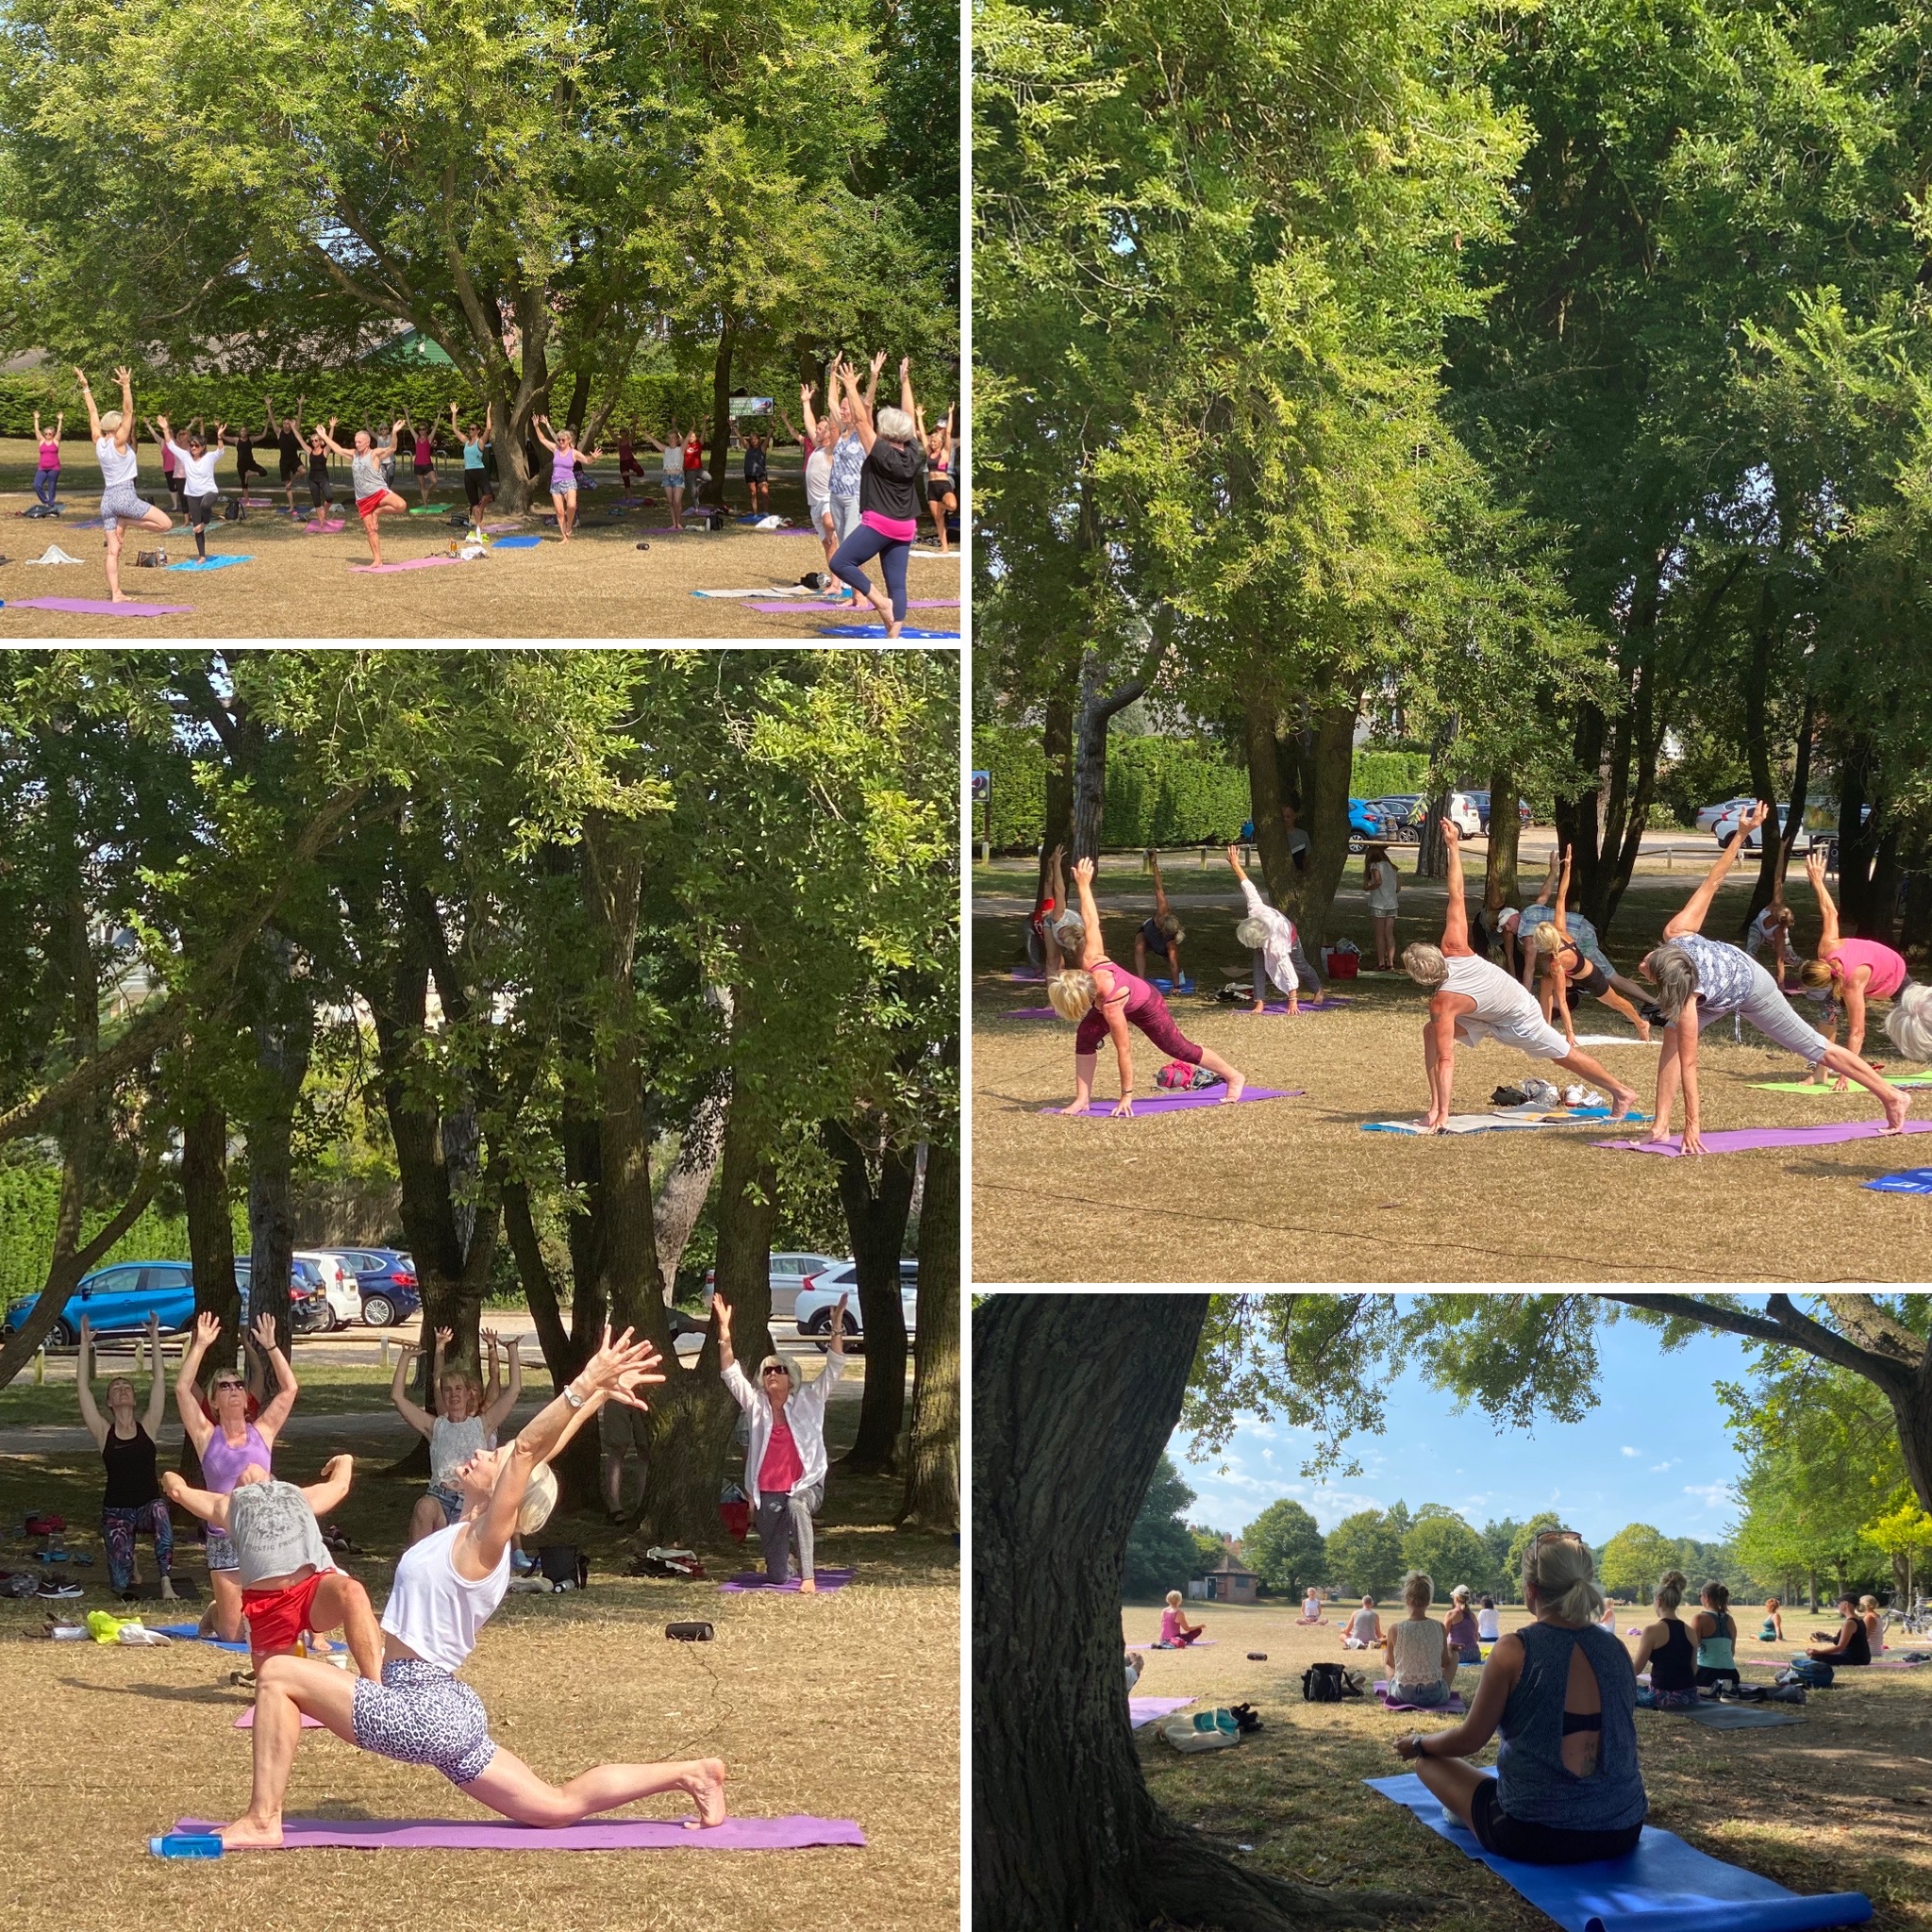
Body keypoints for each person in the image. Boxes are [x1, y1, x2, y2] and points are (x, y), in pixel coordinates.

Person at [208, 1324, 727, 1849]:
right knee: (556, 1806)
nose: (486, 1452)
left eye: (496, 1461)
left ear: (510, 1492)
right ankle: (692, 1773)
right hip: (447, 1707)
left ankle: (262, 1819)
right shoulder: (464, 1528)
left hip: (420, 1708)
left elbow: (526, 1451)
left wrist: (582, 1382)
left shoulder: (484, 1544)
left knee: (276, 1672)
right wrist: (592, 1396)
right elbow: (539, 1453)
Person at [1638, 804, 1907, 1148]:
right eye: (1649, 964)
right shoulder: (1676, 932)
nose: (1642, 966)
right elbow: (1714, 880)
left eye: (1649, 969)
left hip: (1752, 985)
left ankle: (1892, 1096)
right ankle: (1660, 1126)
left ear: (1676, 982)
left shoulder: (1688, 997)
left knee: (1812, 1046)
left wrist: (1693, 1125)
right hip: (1718, 989)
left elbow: (1691, 1064)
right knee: (1672, 1036)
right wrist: (1742, 834)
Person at [1391, 1529, 1645, 1867]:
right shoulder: (1616, 1649)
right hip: (1623, 1829)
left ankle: (1465, 1815)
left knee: (1428, 1762)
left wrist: (1419, 1743)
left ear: (1531, 1590)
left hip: (1532, 1834)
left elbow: (1470, 1739)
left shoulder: (1514, 1649)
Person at [1401, 818, 1639, 1131]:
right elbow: (1456, 895)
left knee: (1561, 1055)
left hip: (1516, 1014)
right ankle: (1435, 1108)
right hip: (1484, 1012)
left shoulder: (1443, 1001)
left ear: (1421, 979)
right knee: (1430, 1033)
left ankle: (1622, 1092)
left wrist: (1447, 1118)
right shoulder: (1453, 947)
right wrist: (1453, 846)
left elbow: (1447, 1061)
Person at [1048, 857, 1246, 1114]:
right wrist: (1083, 885)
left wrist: (1126, 1096)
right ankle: (1082, 1099)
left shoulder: (1110, 1004)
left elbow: (1124, 1050)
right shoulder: (1090, 959)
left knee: (1178, 1048)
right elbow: (1092, 921)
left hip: (1146, 1004)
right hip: (1110, 997)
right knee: (1085, 1037)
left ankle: (1234, 1076)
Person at [159, 1457, 382, 1679]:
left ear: (273, 1480)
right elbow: (179, 1491)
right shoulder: (229, 1505)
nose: (248, 1465)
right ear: (236, 1489)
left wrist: (344, 1460)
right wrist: (168, 1477)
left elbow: (339, 1486)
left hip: (312, 1590)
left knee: (352, 1592)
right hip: (269, 1607)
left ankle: (375, 1687)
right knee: (276, 1683)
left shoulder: (297, 1495)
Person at [175, 1311, 300, 1642]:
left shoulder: (263, 1431)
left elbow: (289, 1388)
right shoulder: (206, 1436)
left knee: (270, 1623)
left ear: (246, 1397)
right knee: (231, 1634)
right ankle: (217, 1610)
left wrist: (271, 1346)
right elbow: (182, 1389)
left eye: (238, 1385)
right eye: (224, 1386)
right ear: (214, 1400)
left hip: (263, 1534)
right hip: (223, 1536)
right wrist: (200, 1345)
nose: (232, 1389)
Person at [716, 1291, 845, 1588]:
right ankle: (785, 1561)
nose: (772, 1373)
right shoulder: (756, 1404)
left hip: (806, 1485)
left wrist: (836, 1327)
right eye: (768, 1370)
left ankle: (808, 1576)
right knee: (776, 1576)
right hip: (768, 1492)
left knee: (798, 1506)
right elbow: (730, 1373)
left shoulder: (810, 1398)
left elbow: (835, 1367)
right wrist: (724, 1332)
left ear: (792, 1377)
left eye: (779, 1370)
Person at [391, 1325, 523, 1545]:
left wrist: (512, 1350)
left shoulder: (483, 1424)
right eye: (448, 1390)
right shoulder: (435, 1426)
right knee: (424, 1506)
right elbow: (397, 1397)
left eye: (458, 1389)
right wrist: (405, 1358)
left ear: (467, 1392)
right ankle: (414, 1572)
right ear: (441, 1395)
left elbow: (515, 1389)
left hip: (471, 1504)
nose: (453, 1395)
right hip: (440, 1500)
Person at [76, 1313, 175, 1602]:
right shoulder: (102, 1432)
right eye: (116, 1388)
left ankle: (166, 1581)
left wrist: (154, 1337)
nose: (122, 1390)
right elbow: (82, 1388)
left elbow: (160, 1380)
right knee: (121, 1585)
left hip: (147, 1506)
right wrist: (84, 1344)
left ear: (134, 1398)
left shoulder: (149, 1426)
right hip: (116, 1512)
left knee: (160, 1510)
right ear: (109, 1402)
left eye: (127, 1387)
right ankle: (130, 1564)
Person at [827, 354, 926, 639]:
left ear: (885, 432)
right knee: (897, 583)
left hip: (880, 523)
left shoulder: (880, 451)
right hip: (906, 526)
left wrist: (849, 386)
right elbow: (907, 415)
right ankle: (894, 635)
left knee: (840, 563)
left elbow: (859, 419)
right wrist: (904, 381)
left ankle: (881, 603)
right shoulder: (912, 452)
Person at [1798, 848, 1914, 1087]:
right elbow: (1830, 911)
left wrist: (1847, 1075)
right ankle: (1820, 1071)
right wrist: (1817, 880)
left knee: (1922, 1016)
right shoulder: (1826, 949)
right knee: (1827, 1017)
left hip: (1892, 972)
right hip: (1856, 972)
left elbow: (1858, 1032)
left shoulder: (1851, 983)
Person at [1531, 848, 1653, 1043]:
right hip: (1573, 975)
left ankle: (1640, 1023)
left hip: (1591, 978)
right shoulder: (1560, 930)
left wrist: (1570, 1033)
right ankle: (1546, 1028)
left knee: (1617, 1003)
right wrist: (1567, 867)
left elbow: (1562, 1001)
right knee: (1546, 982)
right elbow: (1561, 896)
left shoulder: (1557, 962)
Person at [74, 365, 172, 604]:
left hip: (107, 500)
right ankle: (126, 520)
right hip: (124, 497)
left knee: (113, 551)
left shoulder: (98, 440)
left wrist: (86, 387)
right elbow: (128, 412)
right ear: (117, 426)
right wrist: (126, 386)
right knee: (166, 524)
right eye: (123, 425)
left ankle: (116, 594)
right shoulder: (119, 442)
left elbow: (92, 412)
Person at [1226, 845, 1323, 1012]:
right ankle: (1260, 1002)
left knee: (1300, 966)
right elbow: (1248, 886)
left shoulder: (1277, 945)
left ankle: (1318, 989)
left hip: (1289, 936)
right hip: (1266, 932)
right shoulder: (1255, 909)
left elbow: (1287, 969)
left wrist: (1293, 1000)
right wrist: (1235, 864)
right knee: (1258, 966)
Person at [314, 418, 411, 565]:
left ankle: (377, 512)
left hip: (379, 492)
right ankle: (377, 559)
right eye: (356, 442)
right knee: (370, 529)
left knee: (401, 505)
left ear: (367, 442)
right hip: (363, 499)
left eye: (360, 442)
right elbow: (338, 449)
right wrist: (324, 436)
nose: (357, 444)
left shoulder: (374, 454)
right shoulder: (354, 455)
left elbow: (391, 449)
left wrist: (394, 432)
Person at [785, 389, 842, 579]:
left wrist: (835, 398)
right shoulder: (818, 448)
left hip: (828, 499)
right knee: (827, 545)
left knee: (829, 526)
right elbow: (809, 423)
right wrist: (805, 402)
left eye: (820, 429)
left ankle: (843, 577)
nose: (816, 431)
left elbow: (835, 427)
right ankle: (836, 581)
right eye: (816, 429)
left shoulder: (831, 449)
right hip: (814, 503)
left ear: (829, 432)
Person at [155, 414, 226, 560]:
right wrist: (165, 429)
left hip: (209, 492)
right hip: (192, 494)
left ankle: (206, 522)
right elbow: (171, 445)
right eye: (191, 445)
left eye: (196, 445)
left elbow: (220, 451)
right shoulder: (186, 457)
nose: (193, 447)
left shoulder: (209, 457)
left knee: (205, 505)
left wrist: (219, 436)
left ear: (202, 447)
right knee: (196, 526)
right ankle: (202, 555)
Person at [825, 355, 878, 547]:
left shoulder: (863, 430)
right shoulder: (843, 430)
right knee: (843, 547)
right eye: (842, 408)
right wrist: (832, 373)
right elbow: (831, 400)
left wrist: (874, 377)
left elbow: (868, 403)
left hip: (855, 497)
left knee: (850, 546)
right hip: (836, 495)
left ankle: (853, 578)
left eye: (846, 408)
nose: (842, 411)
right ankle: (851, 578)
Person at [1384, 1572, 1457, 1706]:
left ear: (1406, 1599)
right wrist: (1449, 1649)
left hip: (1403, 1695)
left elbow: (1391, 1663)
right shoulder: (1439, 1627)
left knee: (1386, 1656)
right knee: (1456, 1655)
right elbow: (1445, 1663)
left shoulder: (1394, 1629)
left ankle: (1391, 1686)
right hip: (1434, 1695)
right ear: (1428, 1600)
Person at [1629, 1570, 1699, 1708]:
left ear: (1659, 1601)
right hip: (1690, 1695)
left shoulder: (1652, 1631)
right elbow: (1694, 1669)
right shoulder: (1691, 1632)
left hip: (1662, 1696)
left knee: (1631, 1691)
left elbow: (1635, 1670)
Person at [1132, 850, 1185, 988]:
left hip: (1161, 945)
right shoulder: (1162, 910)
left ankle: (1180, 976)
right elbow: (1158, 887)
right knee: (1139, 946)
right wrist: (1154, 864)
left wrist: (1176, 987)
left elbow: (1173, 963)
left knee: (1170, 959)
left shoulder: (1170, 943)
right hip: (1148, 931)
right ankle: (1141, 980)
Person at [1790, 1594, 1871, 1684]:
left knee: (1816, 1657)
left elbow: (1840, 1647)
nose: (1838, 1605)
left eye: (1839, 1603)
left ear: (1846, 1604)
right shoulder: (1859, 1619)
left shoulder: (1850, 1623)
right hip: (1862, 1657)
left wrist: (1818, 1652)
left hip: (1855, 1658)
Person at [533, 416, 586, 541]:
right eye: (559, 440)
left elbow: (587, 460)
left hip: (569, 481)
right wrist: (538, 426)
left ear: (569, 439)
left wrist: (593, 457)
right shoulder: (556, 448)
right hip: (555, 483)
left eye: (563, 440)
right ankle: (564, 537)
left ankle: (569, 525)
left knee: (572, 505)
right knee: (560, 512)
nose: (561, 442)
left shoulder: (573, 451)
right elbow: (544, 439)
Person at [917, 401, 957, 552]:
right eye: (931, 441)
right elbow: (923, 436)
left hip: (943, 484)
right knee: (938, 519)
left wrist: (951, 414)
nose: (932, 443)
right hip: (932, 487)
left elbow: (947, 433)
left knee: (952, 505)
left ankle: (941, 505)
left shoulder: (945, 452)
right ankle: (944, 547)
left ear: (940, 443)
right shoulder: (929, 453)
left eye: (934, 441)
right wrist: (919, 417)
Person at [1690, 1581, 1740, 1690]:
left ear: (1706, 1597)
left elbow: (1691, 1648)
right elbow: (1731, 1652)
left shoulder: (1699, 1618)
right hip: (1731, 1675)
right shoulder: (1730, 1620)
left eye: (1700, 1596)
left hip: (1707, 1675)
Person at [1365, 842, 1401, 969]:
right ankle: (1390, 963)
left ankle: (1381, 962)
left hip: (1379, 903)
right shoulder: (1392, 867)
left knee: (1379, 934)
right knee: (1389, 934)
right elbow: (1397, 888)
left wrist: (1368, 887)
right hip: (1392, 903)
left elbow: (1378, 881)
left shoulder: (1375, 866)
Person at [267, 392, 305, 514]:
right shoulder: (279, 432)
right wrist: (269, 406)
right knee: (287, 486)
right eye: (284, 423)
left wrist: (300, 405)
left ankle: (291, 480)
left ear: (290, 424)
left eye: (288, 423)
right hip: (283, 461)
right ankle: (291, 506)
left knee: (303, 471)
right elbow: (272, 420)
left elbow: (299, 419)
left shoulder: (294, 431)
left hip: (294, 459)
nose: (286, 425)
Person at [648, 427, 687, 530]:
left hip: (678, 477)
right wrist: (642, 430)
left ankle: (679, 523)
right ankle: (674, 524)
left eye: (673, 438)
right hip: (667, 477)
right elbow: (654, 441)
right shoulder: (666, 449)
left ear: (677, 440)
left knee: (677, 501)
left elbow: (687, 439)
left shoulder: (681, 449)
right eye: (669, 438)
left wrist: (693, 427)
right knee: (670, 501)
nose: (671, 440)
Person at [1444, 1586, 1483, 1669]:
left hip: (1459, 1654)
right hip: (1475, 1654)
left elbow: (1443, 1637)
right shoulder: (1472, 1615)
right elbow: (1476, 1638)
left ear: (1456, 1598)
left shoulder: (1451, 1614)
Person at [737, 421, 771, 515]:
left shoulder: (762, 448)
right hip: (749, 474)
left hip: (761, 474)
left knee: (765, 492)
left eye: (755, 439)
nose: (753, 441)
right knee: (753, 494)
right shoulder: (748, 448)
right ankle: (755, 513)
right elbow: (741, 437)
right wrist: (733, 426)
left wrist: (772, 427)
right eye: (751, 439)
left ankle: (765, 512)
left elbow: (768, 437)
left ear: (758, 440)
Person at [32, 408, 62, 509]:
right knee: (37, 485)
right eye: (46, 434)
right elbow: (37, 431)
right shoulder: (41, 441)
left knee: (52, 486)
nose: (48, 435)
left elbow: (59, 431)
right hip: (42, 468)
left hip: (54, 468)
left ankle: (51, 503)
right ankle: (45, 501)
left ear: (52, 435)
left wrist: (60, 420)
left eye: (50, 434)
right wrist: (36, 419)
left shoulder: (56, 441)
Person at [405, 414, 438, 504]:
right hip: (418, 464)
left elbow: (435, 427)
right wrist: (407, 414)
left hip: (427, 464)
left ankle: (428, 492)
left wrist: (438, 414)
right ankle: (425, 504)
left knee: (434, 481)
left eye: (423, 429)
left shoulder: (429, 439)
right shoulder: (417, 438)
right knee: (422, 486)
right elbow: (410, 426)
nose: (421, 431)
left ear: (426, 430)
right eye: (420, 429)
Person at [616, 423, 642, 495]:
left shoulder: (629, 440)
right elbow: (610, 432)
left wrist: (634, 422)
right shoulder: (618, 441)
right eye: (621, 431)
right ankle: (629, 498)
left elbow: (633, 432)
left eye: (623, 431)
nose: (622, 432)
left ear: (627, 432)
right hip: (622, 462)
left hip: (630, 460)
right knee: (626, 482)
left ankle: (630, 473)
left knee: (641, 473)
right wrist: (604, 423)